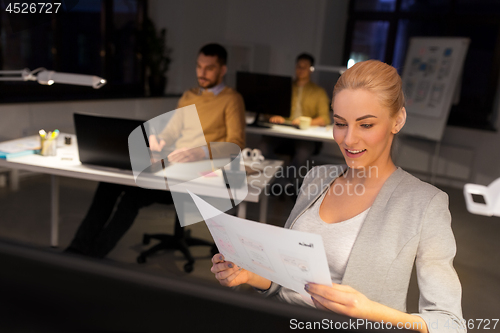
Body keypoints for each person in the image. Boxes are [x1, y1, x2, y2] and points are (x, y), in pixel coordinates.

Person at [211, 60, 464, 333]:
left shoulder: (425, 203)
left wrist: (368, 311)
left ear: (397, 120)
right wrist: (251, 275)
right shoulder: (317, 177)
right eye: (340, 123)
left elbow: (450, 323)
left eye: (366, 125)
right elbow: (289, 279)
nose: (349, 140)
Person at [66, 43, 245, 258]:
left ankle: (93, 255)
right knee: (109, 183)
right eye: (199, 67)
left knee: (131, 197)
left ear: (222, 70)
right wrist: (156, 142)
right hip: (172, 166)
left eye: (209, 68)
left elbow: (236, 143)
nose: (202, 73)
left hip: (196, 176)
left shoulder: (231, 99)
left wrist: (201, 152)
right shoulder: (189, 95)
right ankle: (77, 248)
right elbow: (171, 132)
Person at [259, 53, 331, 189]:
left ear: (311, 69)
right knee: (263, 146)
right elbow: (266, 112)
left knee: (303, 151)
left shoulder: (318, 92)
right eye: (299, 66)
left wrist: (306, 122)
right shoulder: (283, 88)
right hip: (282, 131)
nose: (301, 69)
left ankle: (285, 180)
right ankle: (277, 177)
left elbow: (324, 119)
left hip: (304, 135)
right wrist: (273, 116)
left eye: (305, 67)